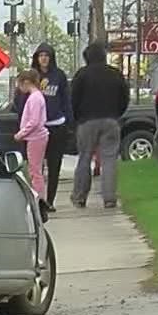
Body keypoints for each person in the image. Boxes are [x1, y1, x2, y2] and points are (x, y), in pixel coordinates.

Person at [69, 42, 131, 209]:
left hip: (87, 121)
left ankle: (80, 196)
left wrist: (77, 118)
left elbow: (73, 100)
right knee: (109, 160)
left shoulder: (81, 75)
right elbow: (125, 98)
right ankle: (109, 198)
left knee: (85, 157)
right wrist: (116, 113)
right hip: (111, 120)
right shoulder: (115, 74)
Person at [13, 44, 72, 210]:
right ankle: (39, 198)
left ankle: (50, 201)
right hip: (35, 129)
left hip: (56, 125)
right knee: (36, 167)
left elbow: (66, 100)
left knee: (54, 165)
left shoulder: (59, 76)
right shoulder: (30, 77)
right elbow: (20, 102)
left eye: (47, 55)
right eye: (41, 55)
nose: (44, 58)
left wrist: (69, 122)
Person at [12, 69, 49, 196]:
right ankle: (39, 195)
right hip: (36, 137)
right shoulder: (37, 97)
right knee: (35, 169)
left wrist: (21, 134)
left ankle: (39, 198)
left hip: (35, 137)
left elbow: (34, 121)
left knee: (35, 170)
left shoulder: (34, 98)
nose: (19, 88)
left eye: (20, 84)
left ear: (26, 82)